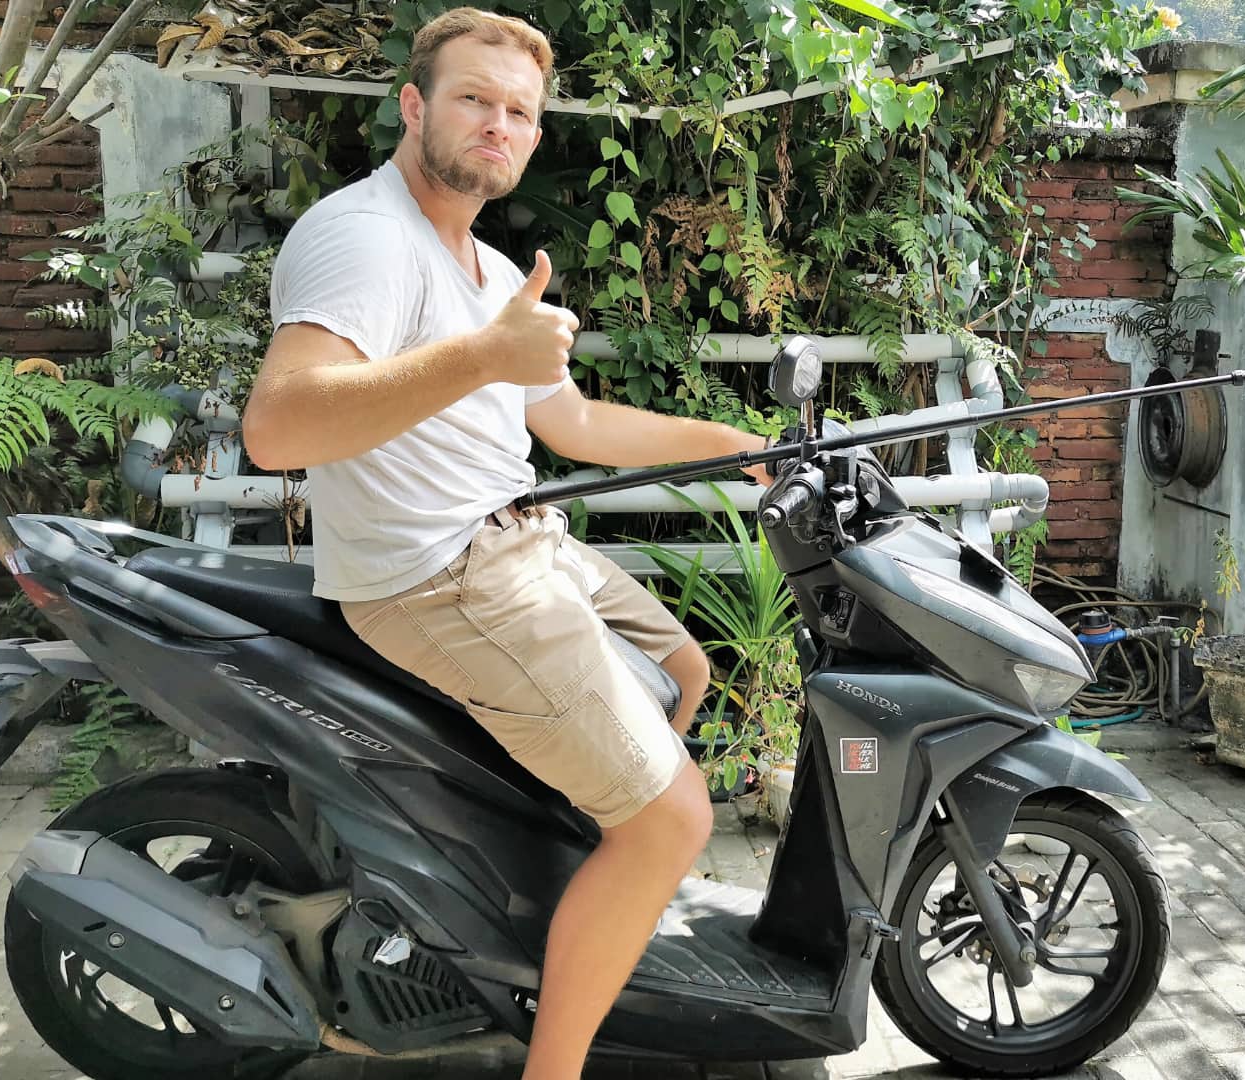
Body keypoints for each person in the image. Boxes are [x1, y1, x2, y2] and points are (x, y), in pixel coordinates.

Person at [239, 9, 769, 1078]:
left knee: (683, 668)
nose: (497, 123)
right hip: (436, 578)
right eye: (475, 98)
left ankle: (550, 906)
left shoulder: (485, 269)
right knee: (672, 821)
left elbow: (570, 426)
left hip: (521, 542)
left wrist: (744, 444)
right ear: (414, 104)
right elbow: (277, 427)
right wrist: (487, 356)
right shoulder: (366, 237)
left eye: (518, 111)